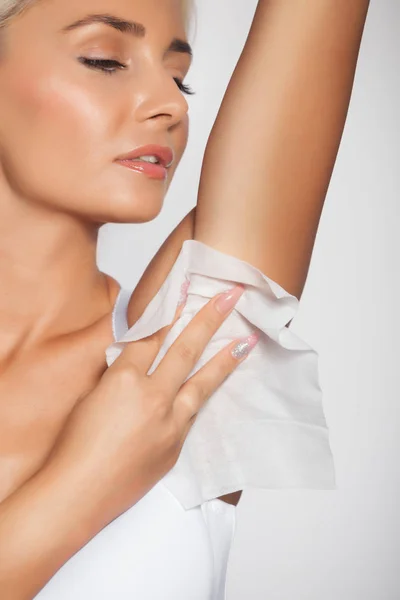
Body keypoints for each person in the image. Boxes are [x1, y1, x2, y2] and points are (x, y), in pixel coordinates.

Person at [0, 0, 370, 598]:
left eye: (179, 77)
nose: (171, 106)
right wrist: (82, 481)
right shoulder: (151, 402)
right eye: (104, 60)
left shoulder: (180, 359)